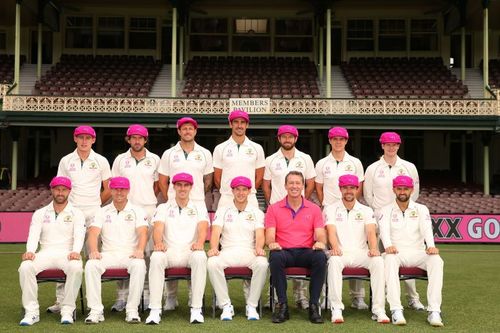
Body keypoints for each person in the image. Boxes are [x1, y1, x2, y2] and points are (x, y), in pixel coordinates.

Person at [49, 125, 111, 313]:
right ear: (75, 139)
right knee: (67, 255)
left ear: (93, 140)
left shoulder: (101, 160)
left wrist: (95, 205)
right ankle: (62, 301)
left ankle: (96, 304)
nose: (84, 141)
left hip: (93, 214)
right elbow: (60, 187)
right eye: (80, 137)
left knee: (94, 258)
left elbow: (108, 188)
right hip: (71, 214)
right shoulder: (66, 161)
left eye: (88, 138)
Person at [363, 131, 424, 311]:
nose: (391, 147)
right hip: (380, 219)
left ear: (398, 146)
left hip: (402, 217)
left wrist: (401, 209)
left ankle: (413, 298)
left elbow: (416, 192)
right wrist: (381, 212)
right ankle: (380, 300)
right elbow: (368, 194)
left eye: (394, 144)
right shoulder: (373, 168)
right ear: (382, 145)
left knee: (407, 256)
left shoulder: (409, 167)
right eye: (387, 144)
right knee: (380, 260)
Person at [157, 117, 213, 311]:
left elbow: (208, 180)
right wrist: (171, 199)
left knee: (195, 249)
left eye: (191, 128)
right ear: (179, 131)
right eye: (184, 128)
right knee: (170, 247)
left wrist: (197, 198)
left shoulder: (205, 153)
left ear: (195, 131)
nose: (187, 131)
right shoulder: (168, 153)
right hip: (174, 205)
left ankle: (193, 296)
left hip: (196, 204)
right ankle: (171, 297)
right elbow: (163, 181)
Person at [18, 176, 85, 326]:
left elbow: (79, 235)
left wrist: (75, 251)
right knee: (25, 267)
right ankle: (31, 312)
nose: (60, 193)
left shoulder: (77, 213)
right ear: (52, 190)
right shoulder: (40, 213)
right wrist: (30, 251)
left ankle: (67, 310)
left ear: (69, 191)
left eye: (64, 190)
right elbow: (34, 234)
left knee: (76, 267)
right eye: (57, 189)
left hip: (67, 253)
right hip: (45, 253)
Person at [379, 175, 444, 327]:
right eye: (399, 188)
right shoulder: (385, 210)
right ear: (394, 189)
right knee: (389, 259)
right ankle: (396, 309)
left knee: (436, 260)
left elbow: (427, 230)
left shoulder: (421, 209)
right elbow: (383, 231)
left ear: (411, 190)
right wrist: (388, 245)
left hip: (417, 252)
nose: (402, 191)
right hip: (396, 253)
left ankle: (434, 311)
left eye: (406, 189)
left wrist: (431, 246)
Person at [262, 124, 316, 309]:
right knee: (278, 253)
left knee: (301, 247)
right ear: (279, 139)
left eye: (290, 136)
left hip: (300, 210)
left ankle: (300, 296)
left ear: (296, 138)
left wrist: (301, 204)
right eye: (284, 136)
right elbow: (266, 185)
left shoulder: (306, 158)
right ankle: (277, 296)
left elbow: (310, 184)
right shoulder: (270, 159)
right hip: (278, 212)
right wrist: (272, 205)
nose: (287, 139)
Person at [324, 174, 390, 324]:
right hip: (341, 252)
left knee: (378, 261)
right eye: (345, 187)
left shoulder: (366, 210)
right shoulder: (331, 209)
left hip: (361, 252)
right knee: (333, 261)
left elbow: (371, 232)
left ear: (357, 189)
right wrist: (335, 248)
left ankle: (378, 310)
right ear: (340, 189)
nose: (349, 191)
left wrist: (373, 248)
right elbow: (331, 231)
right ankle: (336, 308)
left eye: (352, 188)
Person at [315, 126, 368, 310]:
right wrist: (327, 206)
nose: (338, 142)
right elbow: (319, 188)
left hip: (351, 211)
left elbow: (359, 187)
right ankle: (326, 296)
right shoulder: (322, 163)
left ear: (346, 141)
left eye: (342, 139)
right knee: (327, 256)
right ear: (330, 140)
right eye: (335, 139)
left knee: (356, 249)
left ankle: (357, 297)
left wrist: (349, 203)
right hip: (330, 213)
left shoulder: (355, 163)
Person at [145, 172, 209, 324]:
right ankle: (155, 310)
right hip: (170, 251)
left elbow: (203, 227)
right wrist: (158, 242)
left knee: (200, 257)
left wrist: (200, 242)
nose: (182, 188)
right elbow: (158, 228)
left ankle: (196, 309)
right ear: (173, 186)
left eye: (186, 185)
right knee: (156, 257)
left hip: (190, 251)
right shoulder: (163, 207)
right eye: (179, 185)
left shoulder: (199, 207)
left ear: (191, 187)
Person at [265, 171, 327, 324]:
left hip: (306, 251)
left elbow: (320, 234)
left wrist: (320, 242)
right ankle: (283, 305)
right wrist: (272, 243)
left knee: (320, 256)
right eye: (291, 183)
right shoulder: (274, 208)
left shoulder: (314, 209)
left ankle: (313, 306)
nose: (294, 186)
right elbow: (269, 236)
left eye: (298, 183)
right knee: (275, 256)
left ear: (303, 186)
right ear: (285, 186)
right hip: (284, 251)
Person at [84, 177, 148, 324]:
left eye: (123, 189)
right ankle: (95, 311)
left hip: (129, 254)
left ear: (128, 190)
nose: (119, 192)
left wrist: (140, 250)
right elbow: (93, 233)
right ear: (111, 190)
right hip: (108, 254)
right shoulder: (101, 211)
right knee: (91, 265)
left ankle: (132, 310)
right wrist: (93, 250)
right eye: (116, 188)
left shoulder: (137, 210)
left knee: (139, 264)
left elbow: (143, 232)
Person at [111, 124, 160, 312]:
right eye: (134, 137)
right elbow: (114, 185)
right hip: (125, 210)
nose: (137, 141)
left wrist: (145, 199)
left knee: (147, 254)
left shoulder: (155, 159)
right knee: (123, 251)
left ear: (145, 140)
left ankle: (146, 296)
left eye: (141, 138)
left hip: (148, 209)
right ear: (128, 139)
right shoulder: (120, 160)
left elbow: (157, 186)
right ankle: (122, 297)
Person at [207, 176, 268, 321]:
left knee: (262, 263)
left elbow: (260, 235)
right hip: (228, 251)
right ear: (232, 191)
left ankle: (251, 305)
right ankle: (226, 305)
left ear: (249, 192)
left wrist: (259, 248)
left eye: (244, 190)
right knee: (212, 262)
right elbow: (215, 232)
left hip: (249, 251)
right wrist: (214, 248)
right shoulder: (223, 210)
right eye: (237, 189)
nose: (241, 193)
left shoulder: (257, 212)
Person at [213, 109, 265, 209]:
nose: (239, 125)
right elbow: (217, 178)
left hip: (250, 198)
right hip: (227, 198)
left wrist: (246, 192)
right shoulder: (220, 148)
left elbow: (259, 177)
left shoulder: (257, 148)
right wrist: (230, 192)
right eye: (236, 122)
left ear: (247, 125)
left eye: (242, 122)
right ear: (230, 124)